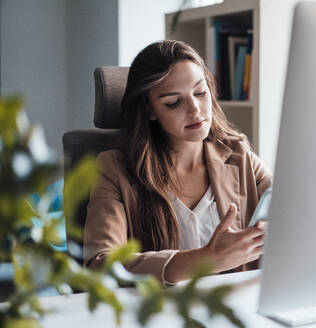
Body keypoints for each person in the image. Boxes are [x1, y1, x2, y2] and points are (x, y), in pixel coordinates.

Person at [83, 40, 272, 285]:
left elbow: (292, 211)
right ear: (150, 110)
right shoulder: (114, 168)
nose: (195, 110)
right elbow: (101, 263)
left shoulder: (239, 155)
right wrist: (207, 259)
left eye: (200, 92)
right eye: (174, 102)